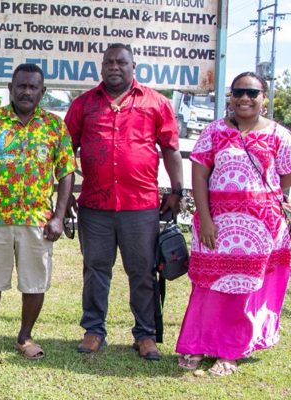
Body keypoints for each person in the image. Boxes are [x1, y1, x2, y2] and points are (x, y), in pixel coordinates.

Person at [176, 72, 291, 376]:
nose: (245, 98)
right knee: (208, 286)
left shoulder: (278, 135)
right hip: (215, 227)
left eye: (252, 92)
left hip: (261, 231)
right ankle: (197, 344)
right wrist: (205, 219)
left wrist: (255, 200)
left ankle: (230, 351)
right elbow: (200, 176)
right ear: (230, 97)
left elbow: (290, 175)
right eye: (239, 92)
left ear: (264, 99)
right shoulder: (214, 132)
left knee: (245, 289)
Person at [64, 43, 183, 360]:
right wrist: (64, 196)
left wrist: (177, 190)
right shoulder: (84, 104)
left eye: (121, 62)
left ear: (134, 66)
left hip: (140, 206)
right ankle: (93, 330)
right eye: (109, 62)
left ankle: (145, 335)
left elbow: (170, 148)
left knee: (142, 272)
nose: (115, 67)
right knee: (95, 270)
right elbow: (64, 153)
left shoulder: (156, 102)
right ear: (101, 67)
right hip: (95, 206)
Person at [0, 64, 76, 360]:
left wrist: (58, 216)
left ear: (42, 92)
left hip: (38, 221)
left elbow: (66, 173)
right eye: (20, 86)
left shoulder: (54, 126)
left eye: (32, 87)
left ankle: (25, 338)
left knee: (34, 281)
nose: (26, 92)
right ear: (10, 88)